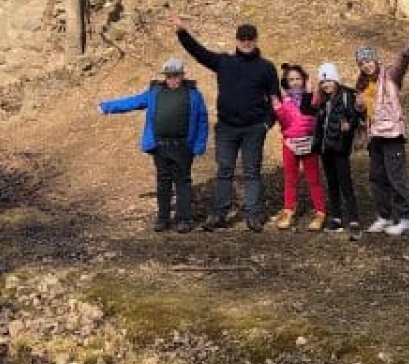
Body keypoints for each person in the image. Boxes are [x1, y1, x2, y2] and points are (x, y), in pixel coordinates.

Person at [170, 18, 280, 232]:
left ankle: (253, 214)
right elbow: (198, 52)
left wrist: (268, 123)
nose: (246, 42)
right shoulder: (224, 62)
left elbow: (275, 97)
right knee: (224, 170)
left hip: (254, 128)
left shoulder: (266, 68)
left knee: (252, 171)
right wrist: (183, 33)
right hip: (227, 128)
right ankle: (219, 213)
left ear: (256, 40)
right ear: (237, 40)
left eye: (250, 38)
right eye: (243, 38)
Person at [98, 57, 209, 233]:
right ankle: (163, 219)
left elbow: (202, 120)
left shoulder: (193, 94)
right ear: (165, 76)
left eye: (176, 75)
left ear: (182, 75)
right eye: (169, 76)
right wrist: (107, 107)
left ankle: (184, 220)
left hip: (183, 147)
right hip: (160, 146)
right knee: (163, 183)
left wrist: (199, 145)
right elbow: (133, 102)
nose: (172, 79)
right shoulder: (155, 92)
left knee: (183, 183)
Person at [355, 32, 409, 236]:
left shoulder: (390, 75)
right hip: (375, 137)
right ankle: (384, 217)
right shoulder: (362, 86)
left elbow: (401, 64)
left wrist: (408, 50)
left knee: (395, 177)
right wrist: (359, 109)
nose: (366, 65)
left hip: (392, 134)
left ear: (375, 60)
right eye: (362, 63)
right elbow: (367, 113)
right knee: (376, 178)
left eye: (369, 60)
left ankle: (405, 219)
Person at [269, 63, 327, 231]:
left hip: (308, 143)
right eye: (291, 79)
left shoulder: (313, 97)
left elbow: (313, 116)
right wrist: (277, 108)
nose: (295, 82)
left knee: (313, 179)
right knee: (290, 178)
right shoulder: (284, 100)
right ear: (286, 82)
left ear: (304, 80)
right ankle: (288, 211)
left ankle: (320, 212)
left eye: (298, 79)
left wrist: (310, 91)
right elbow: (284, 123)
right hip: (289, 143)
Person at [311, 62, 363, 240]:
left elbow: (355, 117)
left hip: (340, 147)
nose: (326, 85)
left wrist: (350, 125)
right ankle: (336, 218)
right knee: (332, 183)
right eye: (323, 82)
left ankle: (354, 220)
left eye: (329, 81)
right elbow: (316, 120)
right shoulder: (322, 100)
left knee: (345, 183)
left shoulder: (347, 96)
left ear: (336, 80)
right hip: (325, 149)